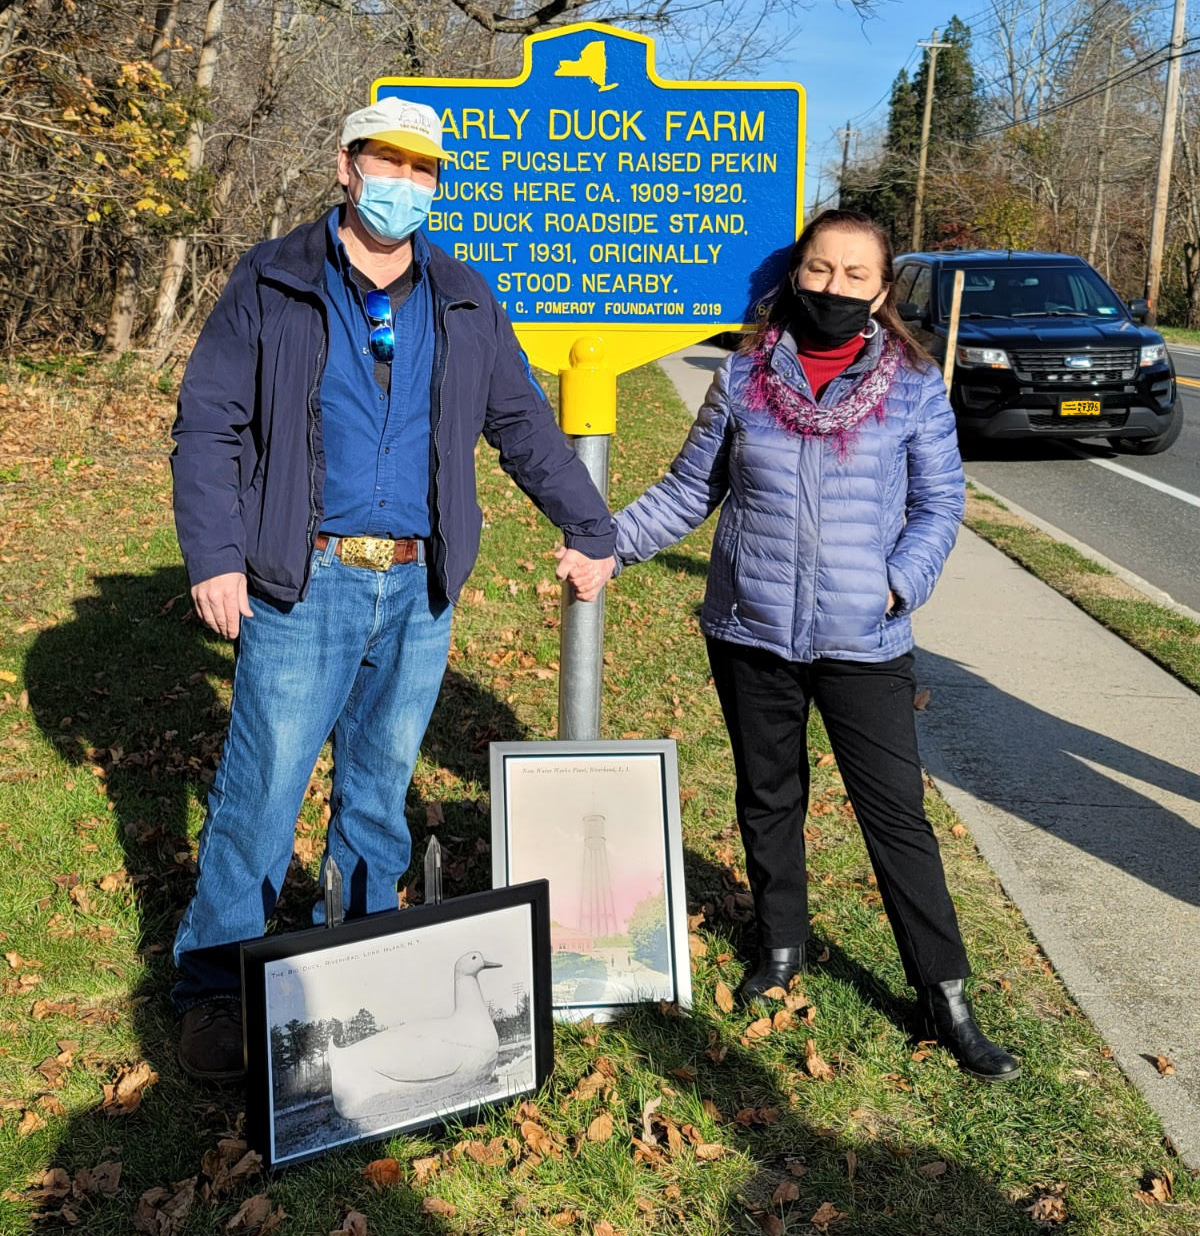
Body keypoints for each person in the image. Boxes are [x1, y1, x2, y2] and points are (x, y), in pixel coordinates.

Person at [170, 96, 615, 1082]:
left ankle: (364, 964)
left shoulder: (461, 296)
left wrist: (589, 525)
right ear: (344, 164)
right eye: (386, 162)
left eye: (423, 170)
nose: (403, 184)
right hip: (302, 579)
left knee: (378, 797)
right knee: (263, 793)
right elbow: (209, 423)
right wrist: (214, 555)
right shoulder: (273, 280)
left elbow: (524, 423)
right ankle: (212, 986)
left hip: (418, 592)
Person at [613, 209, 1019, 1082]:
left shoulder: (912, 386)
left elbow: (940, 505)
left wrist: (898, 581)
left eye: (854, 276)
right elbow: (691, 491)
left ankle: (946, 994)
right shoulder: (743, 379)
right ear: (797, 275)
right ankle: (782, 945)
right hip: (751, 630)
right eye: (820, 270)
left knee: (897, 819)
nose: (834, 288)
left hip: (864, 638)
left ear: (881, 293)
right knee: (769, 796)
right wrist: (607, 545)